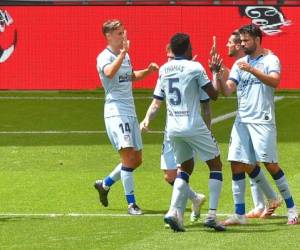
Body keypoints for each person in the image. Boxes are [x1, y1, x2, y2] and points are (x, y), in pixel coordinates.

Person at [212, 24, 298, 225]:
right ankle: (239, 214)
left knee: (270, 165)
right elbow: (228, 90)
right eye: (241, 41)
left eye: (246, 41)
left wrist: (252, 70)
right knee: (236, 163)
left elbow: (275, 81)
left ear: (257, 40)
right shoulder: (239, 63)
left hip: (262, 120)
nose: (242, 44)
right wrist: (217, 73)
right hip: (242, 120)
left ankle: (293, 208)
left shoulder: (271, 59)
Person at [142, 33, 225, 232]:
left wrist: (146, 119)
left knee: (185, 167)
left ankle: (173, 212)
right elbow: (213, 95)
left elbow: (156, 102)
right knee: (216, 164)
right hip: (193, 124)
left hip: (173, 128)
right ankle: (212, 215)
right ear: (188, 48)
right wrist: (214, 72)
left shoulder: (164, 69)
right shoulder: (195, 67)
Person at [94, 19, 159, 215]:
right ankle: (131, 204)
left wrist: (147, 71)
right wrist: (123, 53)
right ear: (108, 36)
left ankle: (104, 184)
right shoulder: (104, 57)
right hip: (116, 111)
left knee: (136, 160)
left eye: (123, 32)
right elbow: (110, 73)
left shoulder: (125, 56)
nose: (123, 36)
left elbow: (130, 76)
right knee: (128, 156)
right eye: (119, 34)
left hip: (130, 110)